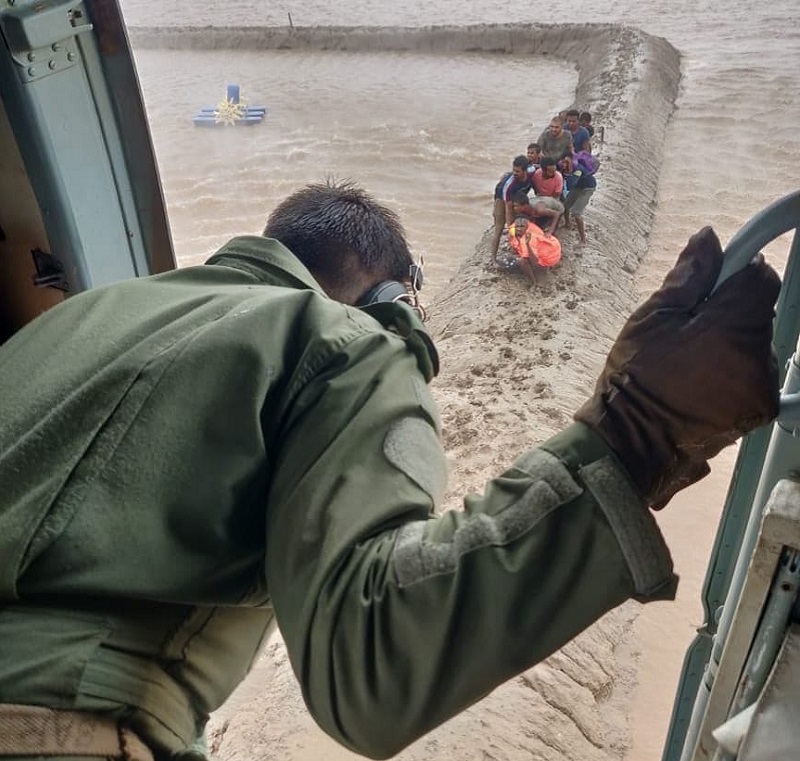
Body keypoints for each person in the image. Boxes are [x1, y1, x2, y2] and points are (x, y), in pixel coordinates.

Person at [0, 179, 781, 761]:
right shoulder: (338, 338)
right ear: (387, 293)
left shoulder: (72, 320)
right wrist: (636, 431)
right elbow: (368, 662)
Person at [491, 154, 535, 266]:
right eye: (513, 170)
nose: (515, 173)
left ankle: (521, 252)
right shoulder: (509, 185)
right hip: (502, 199)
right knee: (499, 228)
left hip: (518, 197)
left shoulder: (532, 171)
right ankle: (493, 259)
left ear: (525, 171)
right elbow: (508, 209)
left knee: (522, 225)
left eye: (518, 171)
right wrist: (511, 229)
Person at [507, 215, 562, 285]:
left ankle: (533, 282)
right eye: (517, 226)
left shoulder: (528, 238)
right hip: (551, 250)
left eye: (522, 226)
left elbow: (535, 262)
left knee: (521, 262)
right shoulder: (514, 230)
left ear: (527, 227)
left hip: (548, 258)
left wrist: (527, 246)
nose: (519, 229)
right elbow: (513, 248)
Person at [564, 144, 600, 244]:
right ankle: (567, 223)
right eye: (563, 162)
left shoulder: (578, 170)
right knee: (565, 205)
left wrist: (568, 173)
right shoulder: (566, 165)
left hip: (587, 188)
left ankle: (583, 238)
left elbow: (571, 185)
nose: (564, 164)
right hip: (578, 186)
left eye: (567, 162)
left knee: (576, 212)